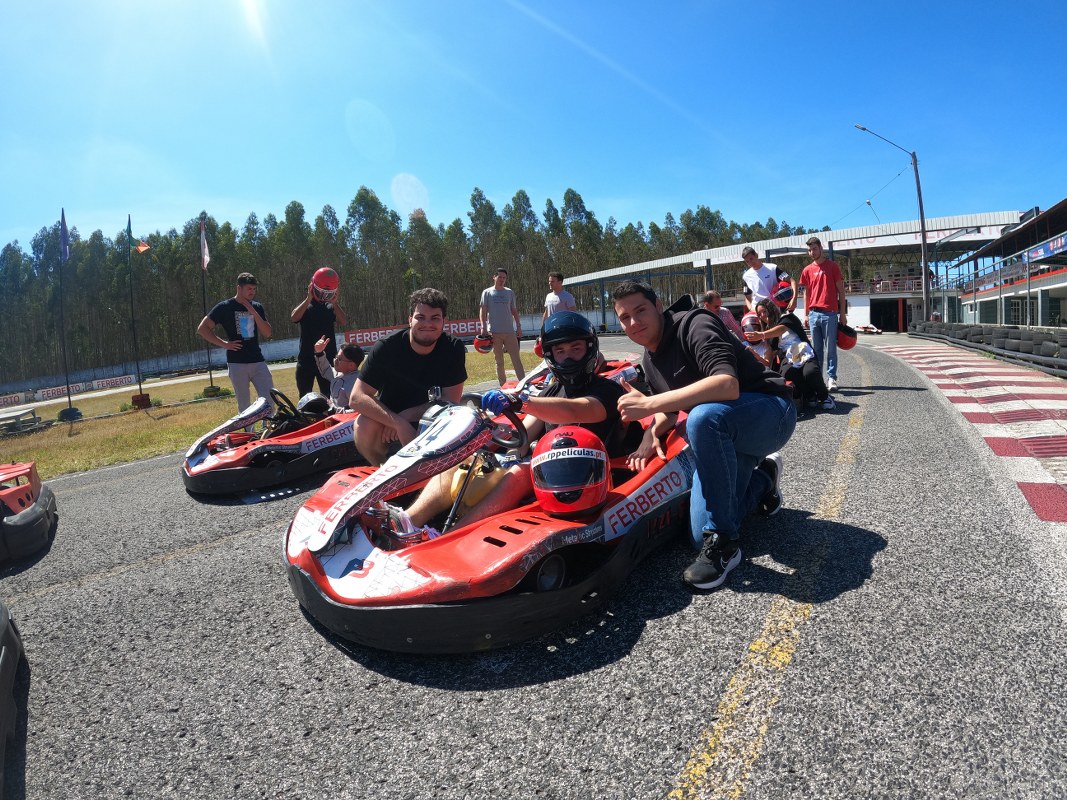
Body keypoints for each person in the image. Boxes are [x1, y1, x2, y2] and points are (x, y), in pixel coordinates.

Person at [612, 280, 796, 592]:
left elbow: (727, 385)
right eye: (624, 317)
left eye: (640, 310)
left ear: (658, 306)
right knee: (699, 533)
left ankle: (724, 546)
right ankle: (764, 477)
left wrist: (648, 404)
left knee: (701, 418)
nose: (634, 322)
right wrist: (651, 433)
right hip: (726, 433)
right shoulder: (650, 358)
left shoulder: (695, 323)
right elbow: (668, 410)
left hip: (770, 412)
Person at [400, 311, 625, 532]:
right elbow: (523, 436)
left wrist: (520, 401)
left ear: (589, 348)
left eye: (576, 349)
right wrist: (483, 439)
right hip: (551, 472)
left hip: (590, 478)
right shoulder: (552, 391)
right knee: (463, 460)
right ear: (550, 355)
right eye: (560, 351)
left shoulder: (608, 391)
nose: (568, 357)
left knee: (522, 472)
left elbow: (577, 410)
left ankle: (453, 535)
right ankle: (407, 521)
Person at [348, 288, 467, 466]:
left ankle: (431, 472)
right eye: (420, 317)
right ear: (410, 319)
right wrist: (398, 423)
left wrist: (406, 416)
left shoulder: (453, 348)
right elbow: (357, 397)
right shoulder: (387, 347)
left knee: (459, 420)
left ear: (444, 322)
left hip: (432, 418)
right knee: (363, 425)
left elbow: (451, 401)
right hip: (388, 421)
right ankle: (381, 468)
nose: (427, 323)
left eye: (435, 318)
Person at [197, 272, 274, 412]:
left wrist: (254, 312)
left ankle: (268, 432)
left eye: (254, 289)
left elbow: (267, 333)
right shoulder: (225, 307)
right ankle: (249, 433)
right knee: (244, 404)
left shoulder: (257, 307)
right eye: (249, 289)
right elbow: (202, 329)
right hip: (237, 363)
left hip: (257, 361)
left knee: (270, 399)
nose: (252, 292)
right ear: (239, 288)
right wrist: (224, 344)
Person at [746, 299, 833, 411]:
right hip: (787, 356)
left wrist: (761, 335)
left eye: (764, 311)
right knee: (787, 374)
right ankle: (810, 394)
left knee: (810, 372)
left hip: (802, 350)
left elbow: (781, 329)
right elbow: (771, 353)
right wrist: (756, 356)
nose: (763, 315)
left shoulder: (787, 318)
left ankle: (824, 396)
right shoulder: (768, 332)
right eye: (759, 314)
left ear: (771, 309)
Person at [799, 236, 847, 392]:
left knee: (831, 348)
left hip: (830, 314)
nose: (811, 252)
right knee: (816, 350)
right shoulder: (806, 270)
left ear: (821, 248)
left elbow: (841, 291)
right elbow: (806, 294)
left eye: (814, 249)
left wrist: (843, 313)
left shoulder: (832, 266)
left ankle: (832, 378)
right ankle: (818, 379)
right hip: (813, 314)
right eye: (809, 250)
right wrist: (806, 314)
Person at [291, 267, 348, 396]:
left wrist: (335, 303)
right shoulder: (306, 307)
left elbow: (343, 321)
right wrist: (308, 298)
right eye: (322, 291)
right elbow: (294, 317)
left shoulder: (330, 306)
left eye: (328, 292)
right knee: (304, 397)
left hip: (326, 360)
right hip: (306, 359)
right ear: (313, 287)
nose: (324, 295)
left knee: (330, 396)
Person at [479, 268, 525, 385]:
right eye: (500, 277)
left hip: (509, 331)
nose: (502, 280)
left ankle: (523, 384)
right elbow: (483, 310)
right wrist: (483, 327)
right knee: (499, 361)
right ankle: (503, 385)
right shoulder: (487, 292)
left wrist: (518, 326)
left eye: (504, 278)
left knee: (516, 360)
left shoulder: (509, 292)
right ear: (494, 277)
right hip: (494, 332)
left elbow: (514, 310)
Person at [312, 336, 365, 409]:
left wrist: (333, 409)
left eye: (339, 359)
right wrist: (319, 353)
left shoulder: (356, 384)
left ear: (351, 365)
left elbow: (357, 409)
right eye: (336, 356)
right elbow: (326, 369)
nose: (335, 360)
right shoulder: (339, 374)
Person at [741, 246, 797, 313]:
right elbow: (747, 296)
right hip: (758, 312)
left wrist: (794, 299)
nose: (750, 262)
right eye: (747, 261)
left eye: (751, 259)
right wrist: (751, 309)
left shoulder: (772, 268)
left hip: (774, 310)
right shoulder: (746, 276)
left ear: (756, 255)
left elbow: (792, 281)